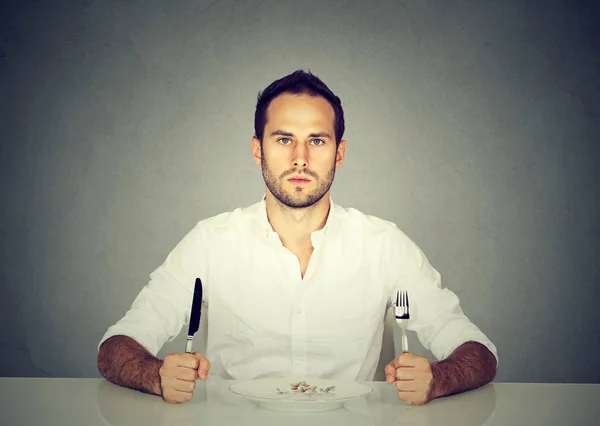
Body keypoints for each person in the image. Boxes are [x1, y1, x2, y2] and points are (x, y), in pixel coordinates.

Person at [97, 70, 497, 405]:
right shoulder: (210, 242)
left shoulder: (384, 245)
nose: (300, 158)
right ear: (258, 150)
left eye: (317, 141)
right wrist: (157, 376)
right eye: (284, 139)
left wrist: (437, 379)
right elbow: (116, 346)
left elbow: (477, 351)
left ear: (339, 153)